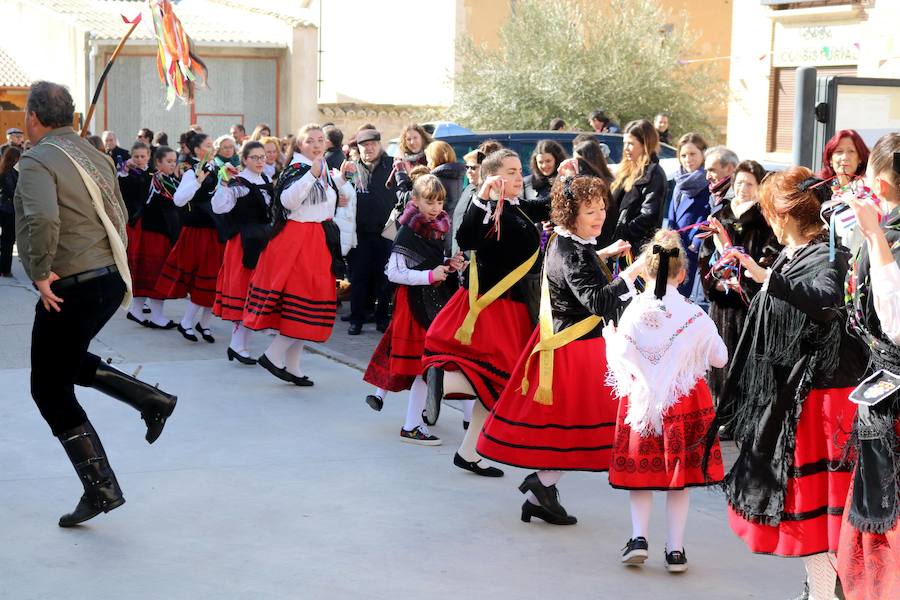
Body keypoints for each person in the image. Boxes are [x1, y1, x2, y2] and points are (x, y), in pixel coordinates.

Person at [13, 81, 176, 526]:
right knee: (60, 362)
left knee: (48, 388)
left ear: (33, 117)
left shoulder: (36, 160)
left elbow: (43, 218)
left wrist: (41, 271)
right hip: (105, 280)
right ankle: (151, 400)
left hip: (71, 283)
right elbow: (118, 212)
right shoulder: (94, 153)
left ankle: (101, 488)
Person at [716, 166, 863, 600]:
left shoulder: (830, 253)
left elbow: (823, 302)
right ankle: (820, 592)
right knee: (814, 516)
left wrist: (769, 280)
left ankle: (826, 594)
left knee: (822, 516)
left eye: (767, 212)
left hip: (825, 398)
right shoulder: (793, 253)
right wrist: (753, 276)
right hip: (801, 394)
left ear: (782, 214)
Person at [477, 175, 641, 522]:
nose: (599, 217)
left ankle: (542, 493)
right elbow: (597, 300)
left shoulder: (566, 242)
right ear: (571, 214)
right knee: (585, 429)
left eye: (601, 209)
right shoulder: (573, 252)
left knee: (571, 430)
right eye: (590, 211)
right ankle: (542, 484)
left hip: (568, 347)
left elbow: (577, 269)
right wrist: (633, 271)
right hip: (575, 352)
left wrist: (604, 255)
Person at [605, 229, 727, 572]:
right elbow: (720, 358)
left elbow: (621, 352)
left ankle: (639, 538)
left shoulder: (633, 310)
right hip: (683, 402)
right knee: (679, 479)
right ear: (682, 274)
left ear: (645, 271)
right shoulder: (694, 315)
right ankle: (675, 550)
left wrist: (610, 340)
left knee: (641, 475)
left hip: (642, 403)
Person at [422, 149, 542, 477]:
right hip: (496, 307)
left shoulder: (520, 207)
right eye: (511, 172)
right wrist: (482, 197)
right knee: (499, 379)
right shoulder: (490, 208)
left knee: (495, 387)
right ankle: (443, 382)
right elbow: (466, 237)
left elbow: (551, 206)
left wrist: (575, 183)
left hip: (512, 305)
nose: (519, 177)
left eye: (520, 171)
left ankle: (468, 452)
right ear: (493, 176)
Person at [836, 132, 900, 600]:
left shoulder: (887, 238)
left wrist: (874, 234)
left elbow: (895, 321)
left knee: (885, 512)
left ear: (878, 181)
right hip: (882, 386)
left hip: (891, 392)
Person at [243, 123, 354, 385]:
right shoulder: (298, 168)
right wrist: (313, 175)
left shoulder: (319, 167)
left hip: (316, 240)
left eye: (320, 139)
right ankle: (273, 355)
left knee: (305, 307)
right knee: (304, 301)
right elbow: (288, 202)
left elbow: (320, 201)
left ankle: (292, 366)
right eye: (310, 140)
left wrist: (340, 182)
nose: (317, 144)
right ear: (300, 144)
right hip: (299, 242)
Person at [363, 174, 463, 443]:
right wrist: (430, 275)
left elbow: (428, 260)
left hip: (433, 301)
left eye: (440, 201)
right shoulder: (408, 230)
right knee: (424, 364)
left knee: (427, 363)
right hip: (414, 305)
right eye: (430, 201)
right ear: (416, 201)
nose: (436, 207)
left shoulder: (436, 227)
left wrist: (448, 263)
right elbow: (394, 272)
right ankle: (412, 425)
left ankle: (416, 417)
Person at [697, 160, 779, 422]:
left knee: (747, 356)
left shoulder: (765, 218)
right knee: (721, 354)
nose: (744, 188)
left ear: (759, 187)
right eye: (740, 182)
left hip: (748, 300)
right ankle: (723, 410)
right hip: (722, 300)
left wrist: (745, 280)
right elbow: (706, 254)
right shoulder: (720, 216)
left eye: (750, 184)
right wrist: (714, 281)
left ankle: (744, 414)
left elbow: (770, 255)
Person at [157, 132, 226, 343]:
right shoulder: (191, 171)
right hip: (198, 231)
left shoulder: (215, 167)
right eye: (208, 145)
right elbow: (178, 200)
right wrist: (197, 181)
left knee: (213, 279)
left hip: (215, 229)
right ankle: (187, 322)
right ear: (197, 150)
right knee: (202, 278)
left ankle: (204, 324)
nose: (213, 147)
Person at [211, 141, 273, 364]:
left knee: (254, 291)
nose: (260, 161)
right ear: (244, 159)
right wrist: (223, 184)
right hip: (242, 243)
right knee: (243, 291)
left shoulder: (265, 179)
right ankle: (237, 345)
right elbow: (219, 207)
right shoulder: (237, 182)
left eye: (263, 157)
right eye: (255, 157)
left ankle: (238, 344)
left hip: (262, 241)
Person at [126, 146, 181, 329]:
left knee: (149, 272)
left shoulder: (169, 179)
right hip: (153, 232)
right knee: (155, 273)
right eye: (169, 161)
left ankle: (137, 309)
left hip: (160, 231)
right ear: (158, 162)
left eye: (174, 161)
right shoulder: (156, 179)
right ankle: (155, 315)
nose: (173, 164)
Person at [346, 128, 395, 335]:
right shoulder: (352, 169)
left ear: (379, 144)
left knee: (384, 279)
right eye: (364, 145)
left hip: (386, 232)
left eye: (373, 144)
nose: (369, 148)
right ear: (358, 148)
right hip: (360, 234)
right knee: (358, 279)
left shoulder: (392, 165)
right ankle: (356, 319)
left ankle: (382, 318)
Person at [611, 119, 668, 251]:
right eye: (624, 143)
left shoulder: (654, 174)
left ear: (645, 144)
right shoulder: (627, 169)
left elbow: (649, 216)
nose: (625, 148)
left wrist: (623, 234)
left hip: (636, 249)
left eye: (630, 143)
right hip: (620, 246)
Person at [667, 133, 711, 297]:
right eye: (683, 155)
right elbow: (673, 212)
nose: (687, 159)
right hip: (675, 250)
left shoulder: (709, 181)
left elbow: (711, 216)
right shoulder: (679, 180)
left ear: (703, 154)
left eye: (693, 154)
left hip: (694, 253)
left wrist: (696, 242)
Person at [117, 141, 154, 323]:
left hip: (149, 222)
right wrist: (125, 172)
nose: (139, 159)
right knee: (133, 259)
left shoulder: (153, 172)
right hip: (133, 220)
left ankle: (142, 300)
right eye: (136, 156)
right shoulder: (126, 173)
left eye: (143, 156)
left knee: (145, 262)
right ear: (131, 156)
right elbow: (122, 191)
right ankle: (133, 297)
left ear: (148, 156)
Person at [426, 141, 466, 248]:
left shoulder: (437, 180)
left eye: (429, 160)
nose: (427, 164)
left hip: (441, 234)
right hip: (454, 232)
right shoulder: (456, 176)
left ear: (435, 159)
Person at [521, 139, 568, 224]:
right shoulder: (527, 183)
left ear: (556, 160)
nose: (544, 165)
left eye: (548, 161)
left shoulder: (565, 181)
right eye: (540, 162)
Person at [0, 145, 20, 276]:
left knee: (6, 240)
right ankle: (5, 269)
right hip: (8, 210)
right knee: (8, 241)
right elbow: (13, 192)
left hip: (5, 208)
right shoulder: (12, 173)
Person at [705, 146, 739, 210]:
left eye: (712, 170)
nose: (707, 177)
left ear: (730, 169)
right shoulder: (715, 195)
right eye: (706, 171)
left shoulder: (742, 197)